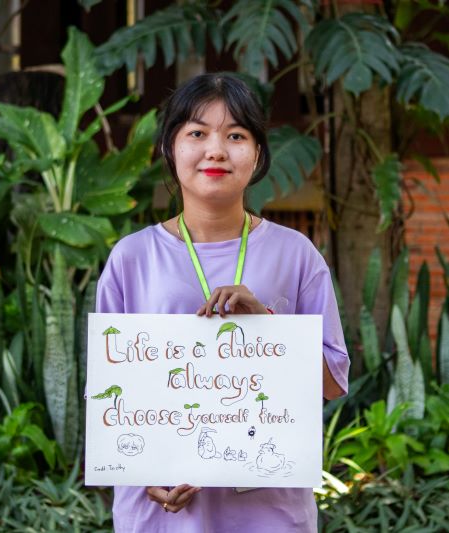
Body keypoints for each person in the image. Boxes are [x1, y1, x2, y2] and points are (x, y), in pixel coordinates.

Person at [95, 72, 349, 533]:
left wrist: (267, 328)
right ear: (171, 148)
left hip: (270, 515)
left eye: (235, 135)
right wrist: (144, 472)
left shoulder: (296, 255)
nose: (215, 150)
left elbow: (331, 383)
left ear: (257, 154)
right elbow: (111, 395)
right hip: (160, 515)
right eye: (197, 133)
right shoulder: (131, 258)